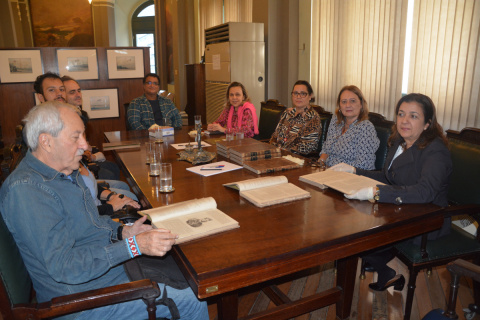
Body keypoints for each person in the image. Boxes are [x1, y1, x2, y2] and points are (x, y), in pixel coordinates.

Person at [0, 101, 208, 320]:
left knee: (183, 266)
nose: (86, 145)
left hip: (101, 274)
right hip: (78, 300)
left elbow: (92, 224)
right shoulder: (27, 191)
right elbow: (65, 267)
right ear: (46, 142)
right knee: (194, 297)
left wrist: (123, 233)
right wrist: (132, 246)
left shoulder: (65, 173)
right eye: (76, 137)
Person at [329, 93, 452, 292]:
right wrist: (355, 171)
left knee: (358, 236)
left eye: (413, 116)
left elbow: (425, 193)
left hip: (427, 218)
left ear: (427, 123)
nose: (404, 120)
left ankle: (384, 272)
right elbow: (388, 177)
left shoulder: (435, 151)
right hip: (401, 209)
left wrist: (376, 192)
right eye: (401, 114)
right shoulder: (398, 142)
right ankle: (387, 273)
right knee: (348, 225)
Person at [62, 75, 121, 180]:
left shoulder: (82, 114)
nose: (78, 95)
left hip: (86, 159)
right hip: (76, 167)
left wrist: (92, 154)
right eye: (72, 92)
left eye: (79, 91)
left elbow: (89, 148)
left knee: (113, 167)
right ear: (62, 95)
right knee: (110, 174)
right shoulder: (63, 119)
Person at [319, 85, 379, 170]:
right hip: (328, 170)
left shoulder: (366, 127)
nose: (348, 105)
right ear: (339, 106)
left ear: (361, 104)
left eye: (353, 101)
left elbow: (364, 164)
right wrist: (320, 163)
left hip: (353, 176)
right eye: (344, 102)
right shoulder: (336, 121)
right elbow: (326, 148)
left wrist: (336, 168)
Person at [269, 80, 322, 155]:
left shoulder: (313, 118)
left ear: (310, 96)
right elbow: (275, 136)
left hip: (296, 159)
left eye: (303, 94)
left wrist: (282, 152)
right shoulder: (287, 113)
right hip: (277, 154)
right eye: (295, 93)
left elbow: (306, 147)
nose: (298, 97)